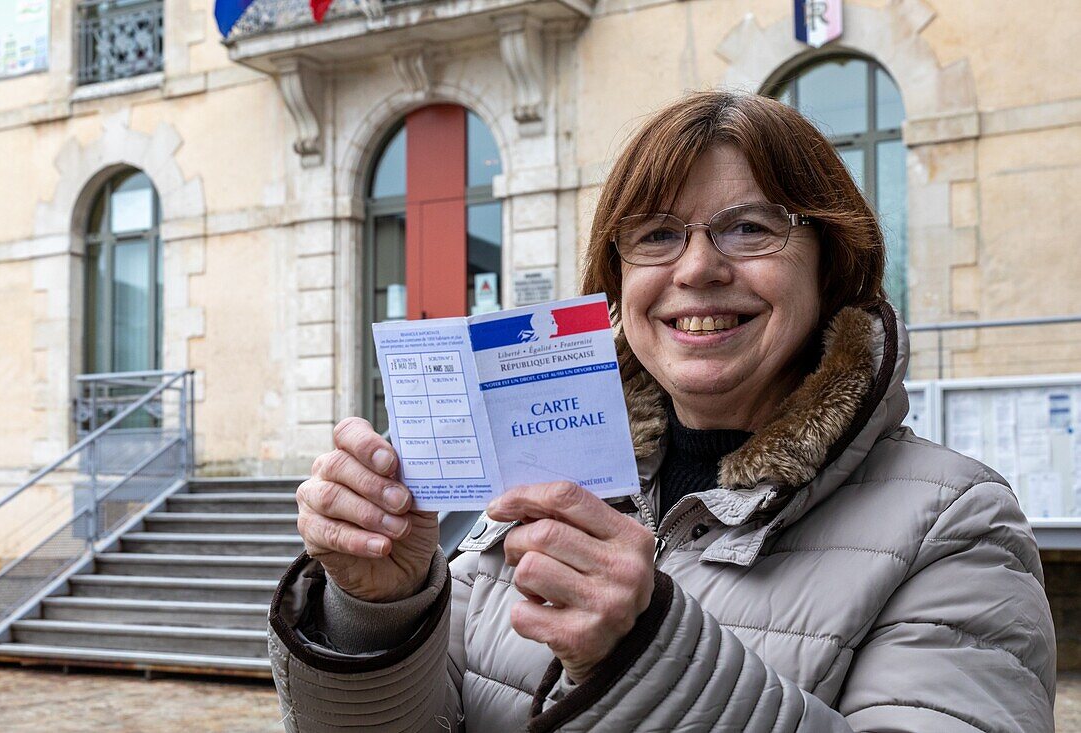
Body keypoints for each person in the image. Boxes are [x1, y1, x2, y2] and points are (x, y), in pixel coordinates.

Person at [268, 91, 1056, 732]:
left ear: (833, 260)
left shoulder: (956, 525)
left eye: (750, 227)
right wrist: (378, 611)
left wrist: (649, 650)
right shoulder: (548, 477)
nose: (698, 267)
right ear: (617, 282)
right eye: (656, 235)